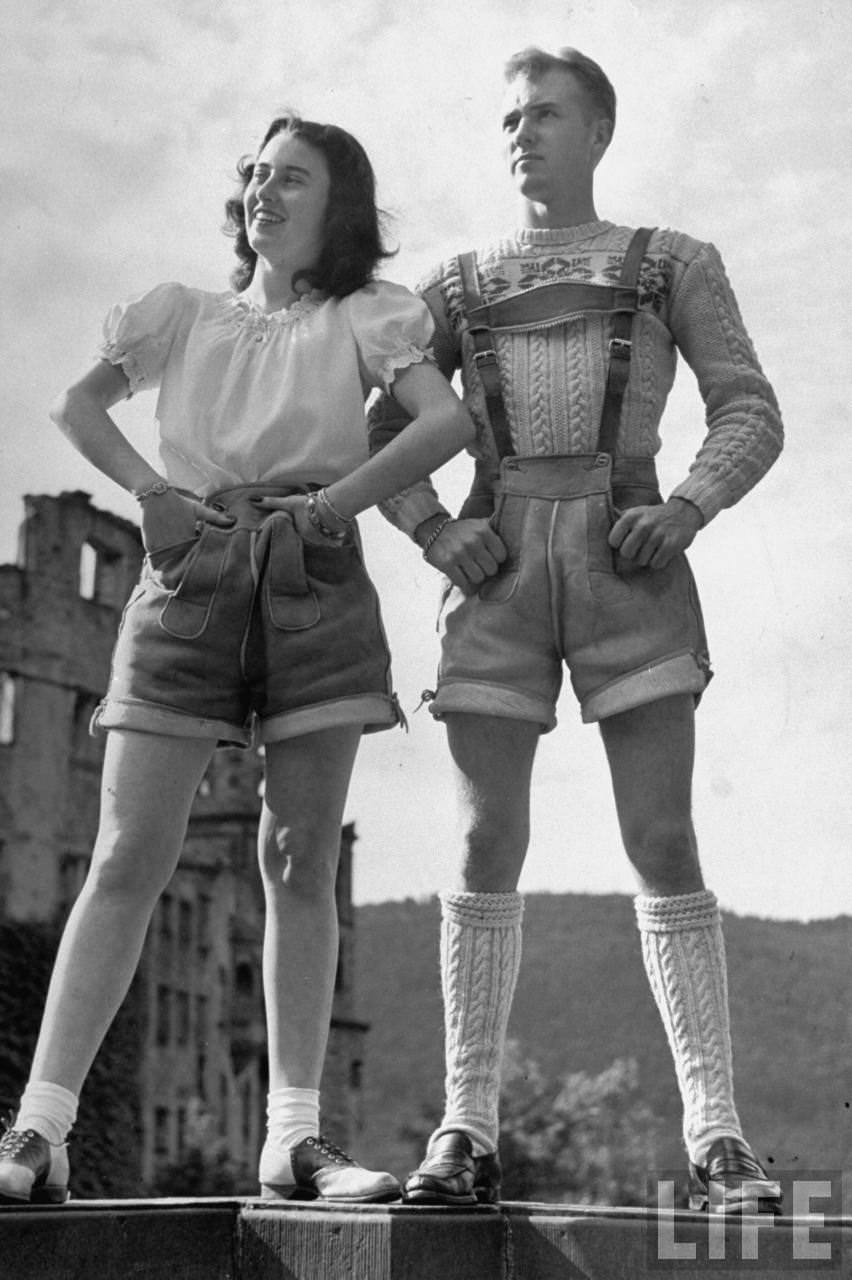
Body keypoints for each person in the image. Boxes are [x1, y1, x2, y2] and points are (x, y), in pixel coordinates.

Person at [0, 114, 474, 1206]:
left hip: (313, 580)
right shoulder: (182, 314)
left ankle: (293, 1139)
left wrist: (331, 505)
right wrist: (152, 494)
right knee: (127, 853)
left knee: (298, 854)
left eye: (293, 179)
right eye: (255, 174)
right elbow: (76, 403)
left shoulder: (367, 316)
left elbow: (445, 423)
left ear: (339, 207)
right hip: (187, 575)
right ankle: (36, 1131)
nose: (264, 192)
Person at [367, 47, 784, 1214]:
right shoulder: (452, 285)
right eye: (508, 116)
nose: (522, 132)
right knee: (482, 841)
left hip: (625, 559)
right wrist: (434, 530)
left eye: (546, 113)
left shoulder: (672, 262)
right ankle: (464, 1131)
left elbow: (749, 404)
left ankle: (719, 1141)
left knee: (662, 836)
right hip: (496, 563)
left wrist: (689, 505)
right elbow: (371, 433)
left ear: (600, 129)